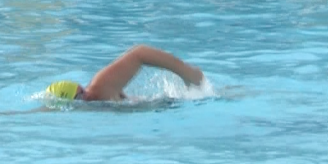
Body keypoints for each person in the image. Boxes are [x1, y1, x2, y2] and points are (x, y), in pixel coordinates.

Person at [44, 45, 206, 102]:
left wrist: (187, 74)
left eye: (82, 91)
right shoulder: (93, 102)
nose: (86, 95)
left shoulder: (98, 88)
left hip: (181, 103)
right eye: (81, 95)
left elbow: (140, 53)